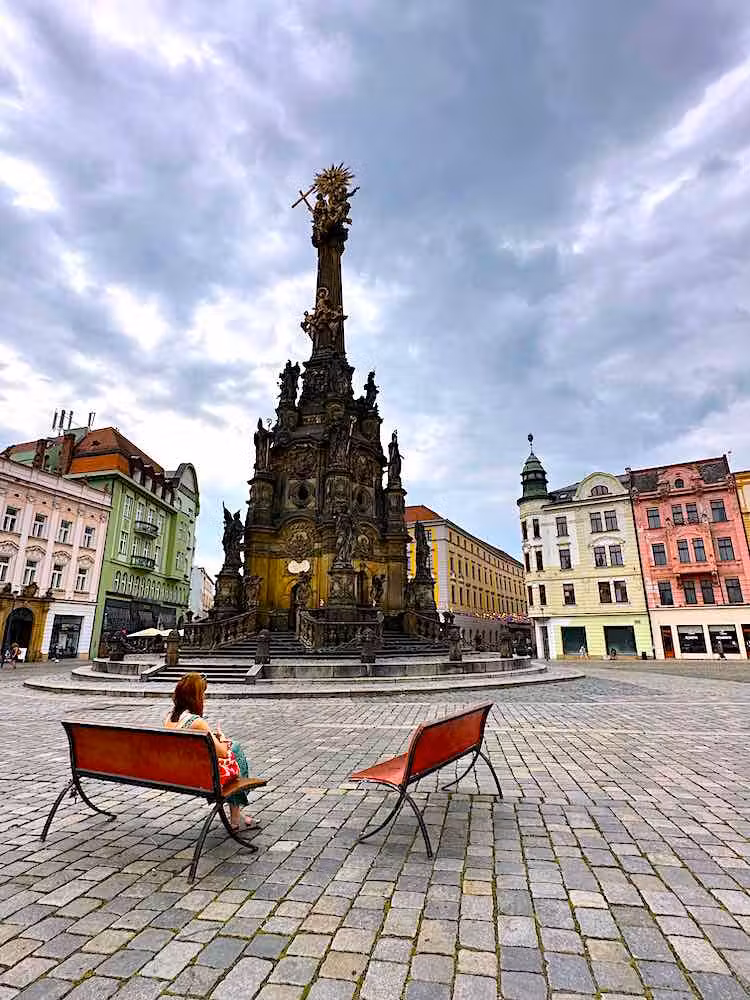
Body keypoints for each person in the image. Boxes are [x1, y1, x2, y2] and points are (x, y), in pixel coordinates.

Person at [164, 673, 258, 832]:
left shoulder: (169, 718)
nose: (204, 698)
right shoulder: (196, 722)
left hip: (181, 773)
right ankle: (236, 817)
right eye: (202, 694)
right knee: (235, 748)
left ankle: (237, 815)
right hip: (202, 778)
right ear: (195, 697)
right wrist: (222, 737)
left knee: (233, 749)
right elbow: (221, 752)